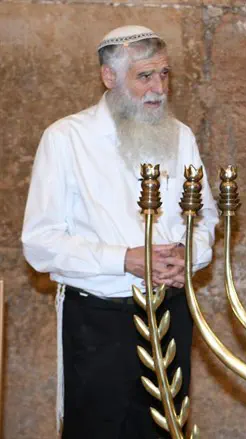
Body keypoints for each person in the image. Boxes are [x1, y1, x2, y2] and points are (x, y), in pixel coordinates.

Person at [21, 25, 218, 438]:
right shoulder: (66, 138)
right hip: (98, 322)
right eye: (144, 76)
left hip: (170, 311)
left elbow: (204, 218)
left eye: (164, 74)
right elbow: (40, 242)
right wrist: (125, 259)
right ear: (109, 77)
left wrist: (187, 255)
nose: (158, 88)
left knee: (167, 430)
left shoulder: (179, 136)